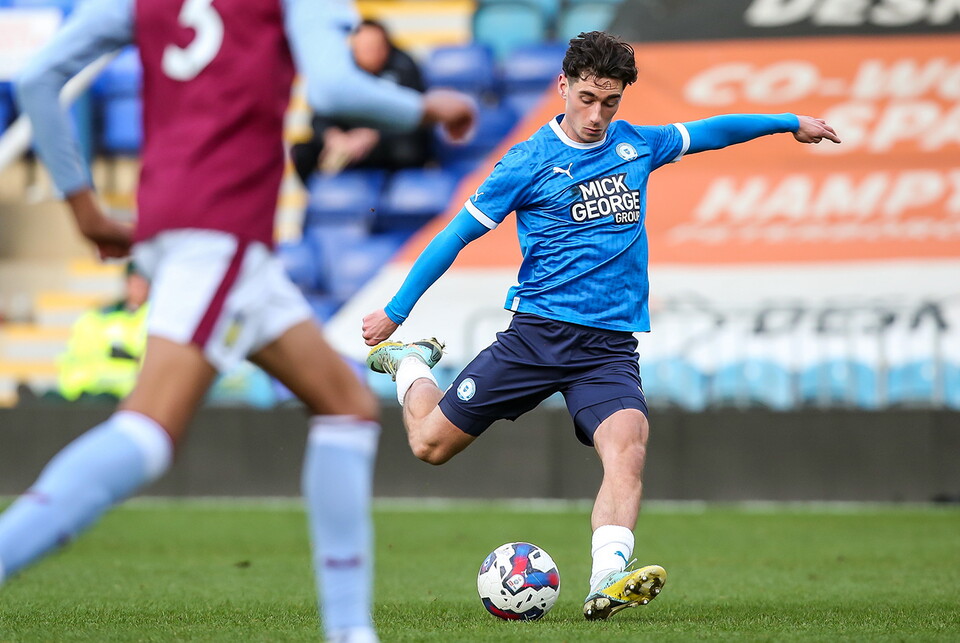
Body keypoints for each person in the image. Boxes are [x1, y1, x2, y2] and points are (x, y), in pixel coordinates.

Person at [0, 0, 475, 641]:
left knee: (347, 407)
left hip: (196, 231)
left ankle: (350, 632)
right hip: (221, 233)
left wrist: (84, 208)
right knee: (147, 431)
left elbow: (36, 79)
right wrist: (428, 106)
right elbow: (334, 87)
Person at [362, 31, 840, 621]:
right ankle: (410, 363)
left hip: (608, 348)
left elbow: (712, 130)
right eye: (586, 98)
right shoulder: (528, 161)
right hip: (537, 336)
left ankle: (607, 579)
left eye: (609, 102)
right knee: (429, 446)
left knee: (628, 446)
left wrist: (790, 121)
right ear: (563, 86)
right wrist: (396, 311)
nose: (595, 115)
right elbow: (455, 235)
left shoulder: (638, 145)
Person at [290, 19, 432, 183]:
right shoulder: (341, 70)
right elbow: (320, 115)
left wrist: (373, 136)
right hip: (348, 144)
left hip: (389, 141)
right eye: (363, 49)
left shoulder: (404, 67)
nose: (369, 54)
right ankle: (322, 200)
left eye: (374, 48)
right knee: (303, 152)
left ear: (386, 47)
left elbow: (418, 116)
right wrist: (333, 136)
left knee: (405, 149)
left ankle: (398, 198)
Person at [56, 261, 149, 402]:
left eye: (143, 282)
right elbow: (75, 358)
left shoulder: (154, 318)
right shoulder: (98, 316)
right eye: (134, 281)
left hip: (124, 396)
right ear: (126, 283)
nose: (138, 287)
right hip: (85, 391)